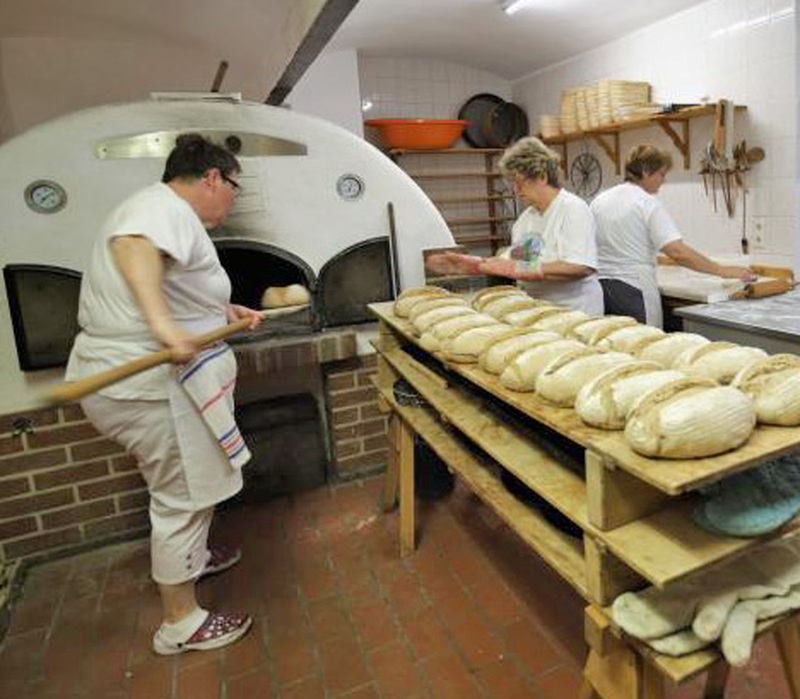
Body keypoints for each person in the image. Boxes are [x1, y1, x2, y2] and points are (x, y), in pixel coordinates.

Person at [65, 133, 265, 655]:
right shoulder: (165, 206)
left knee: (184, 486)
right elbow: (134, 249)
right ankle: (181, 622)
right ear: (214, 177)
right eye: (234, 188)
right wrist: (165, 329)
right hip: (147, 386)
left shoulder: (160, 209)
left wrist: (220, 312)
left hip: (130, 382)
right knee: (183, 494)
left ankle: (192, 558)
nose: (232, 200)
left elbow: (174, 283)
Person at [426, 136, 604, 315]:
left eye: (520, 183)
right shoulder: (528, 218)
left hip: (576, 311)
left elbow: (579, 267)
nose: (516, 191)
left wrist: (521, 268)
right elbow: (521, 261)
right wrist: (476, 265)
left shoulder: (572, 209)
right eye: (513, 184)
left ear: (542, 176)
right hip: (539, 309)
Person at [591, 145, 756, 328]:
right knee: (644, 348)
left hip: (601, 289)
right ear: (646, 171)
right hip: (633, 290)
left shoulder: (600, 200)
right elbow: (678, 252)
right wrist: (723, 271)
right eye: (661, 174)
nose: (664, 180)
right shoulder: (646, 203)